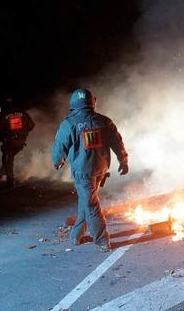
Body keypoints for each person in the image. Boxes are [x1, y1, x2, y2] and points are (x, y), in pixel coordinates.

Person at [52, 88, 129, 252]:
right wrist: (123, 160)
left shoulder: (69, 123)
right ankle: (76, 235)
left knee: (91, 204)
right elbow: (117, 143)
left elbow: (60, 145)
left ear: (73, 104)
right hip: (100, 170)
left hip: (83, 172)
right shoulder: (104, 121)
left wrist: (57, 161)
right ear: (93, 101)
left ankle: (102, 241)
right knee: (87, 201)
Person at [0, 98, 35, 187]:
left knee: (8, 159)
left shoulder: (4, 116)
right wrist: (23, 133)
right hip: (21, 142)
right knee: (8, 158)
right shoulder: (23, 114)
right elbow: (32, 125)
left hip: (9, 141)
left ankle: (10, 180)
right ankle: (1, 173)